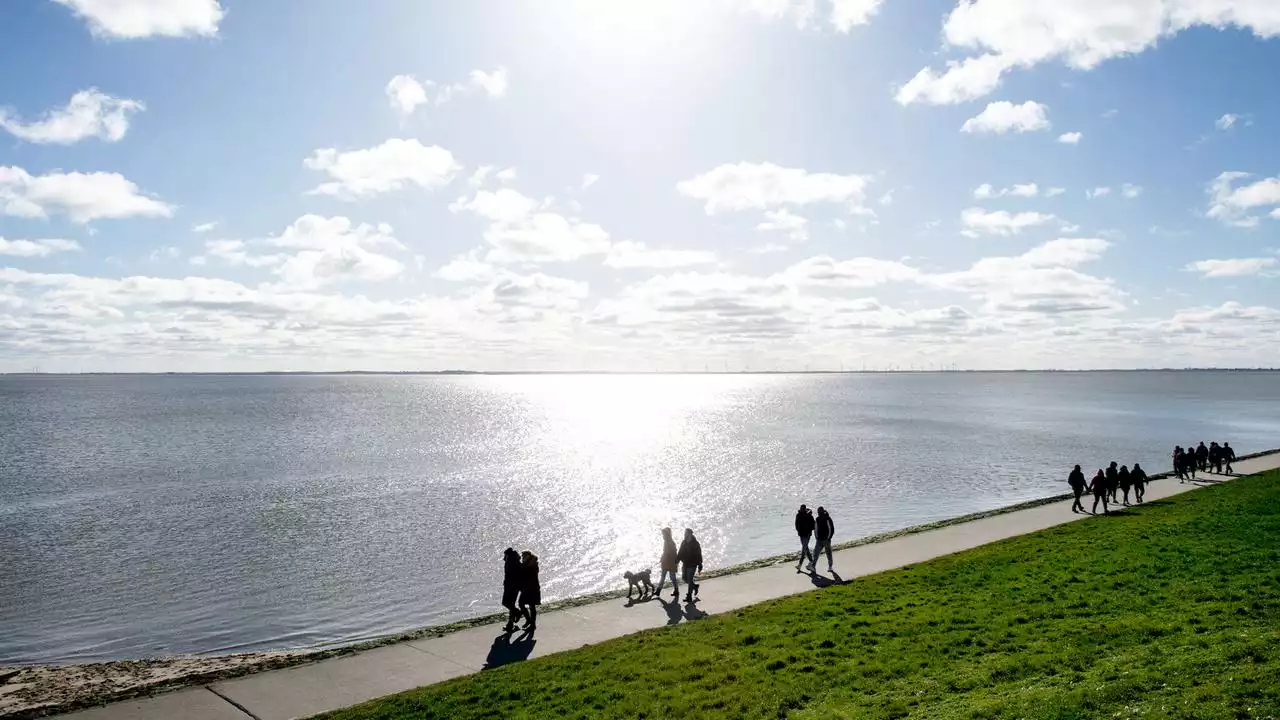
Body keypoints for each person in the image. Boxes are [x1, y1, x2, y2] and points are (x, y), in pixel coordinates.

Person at [676, 528, 703, 603]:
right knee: (684, 578)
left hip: (693, 563)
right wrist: (677, 560)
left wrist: (700, 564)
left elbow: (699, 554)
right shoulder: (684, 542)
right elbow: (680, 552)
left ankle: (689, 596)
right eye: (685, 533)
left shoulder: (695, 543)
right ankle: (695, 586)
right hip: (685, 563)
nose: (685, 534)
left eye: (686, 533)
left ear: (690, 534)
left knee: (690, 579)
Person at [500, 547, 523, 632]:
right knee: (511, 604)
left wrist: (511, 585)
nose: (503, 558)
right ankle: (510, 625)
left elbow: (511, 576)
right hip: (513, 586)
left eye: (504, 556)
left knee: (506, 603)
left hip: (511, 587)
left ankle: (517, 612)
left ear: (507, 555)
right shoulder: (515, 561)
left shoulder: (510, 562)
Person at [518, 550, 540, 631]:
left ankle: (532, 624)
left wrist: (521, 566)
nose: (522, 558)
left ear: (528, 556)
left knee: (532, 606)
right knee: (521, 604)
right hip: (526, 587)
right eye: (522, 556)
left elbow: (528, 571)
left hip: (533, 587)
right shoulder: (526, 564)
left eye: (524, 556)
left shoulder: (533, 564)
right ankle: (529, 620)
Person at [655, 527, 680, 600]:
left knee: (672, 577)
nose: (663, 535)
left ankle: (676, 590)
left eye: (663, 534)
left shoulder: (670, 542)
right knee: (663, 576)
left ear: (667, 534)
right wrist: (662, 557)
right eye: (662, 534)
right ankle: (658, 591)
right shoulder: (666, 541)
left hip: (671, 562)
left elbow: (672, 552)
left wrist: (665, 556)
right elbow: (665, 552)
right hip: (666, 562)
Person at [811, 506, 835, 573]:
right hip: (819, 540)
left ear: (821, 511)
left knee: (827, 553)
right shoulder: (818, 519)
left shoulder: (827, 518)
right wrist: (817, 537)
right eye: (818, 512)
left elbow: (831, 529)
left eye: (819, 512)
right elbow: (816, 529)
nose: (818, 513)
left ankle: (830, 567)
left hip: (825, 540)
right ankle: (813, 567)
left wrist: (828, 538)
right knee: (816, 553)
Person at [794, 504, 815, 570]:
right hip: (801, 535)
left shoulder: (809, 515)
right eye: (801, 509)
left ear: (805, 509)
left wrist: (809, 530)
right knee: (805, 549)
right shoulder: (798, 515)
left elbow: (813, 525)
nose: (801, 510)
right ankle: (811, 563)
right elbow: (796, 524)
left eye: (803, 509)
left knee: (804, 549)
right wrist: (799, 531)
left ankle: (801, 564)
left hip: (807, 535)